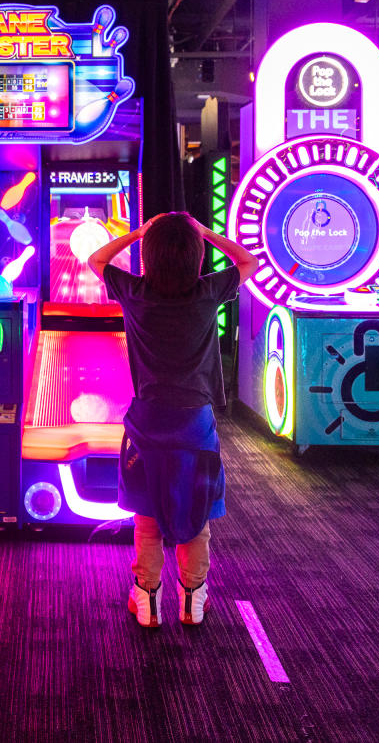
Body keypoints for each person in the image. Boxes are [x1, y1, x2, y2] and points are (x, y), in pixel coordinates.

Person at [87, 211, 259, 627]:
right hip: (194, 423)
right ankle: (193, 599)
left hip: (147, 419)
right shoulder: (207, 292)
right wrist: (205, 232)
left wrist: (140, 232)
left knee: (146, 519)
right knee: (195, 517)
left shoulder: (136, 291)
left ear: (149, 255)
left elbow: (97, 260)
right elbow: (249, 263)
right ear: (196, 256)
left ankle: (146, 601)